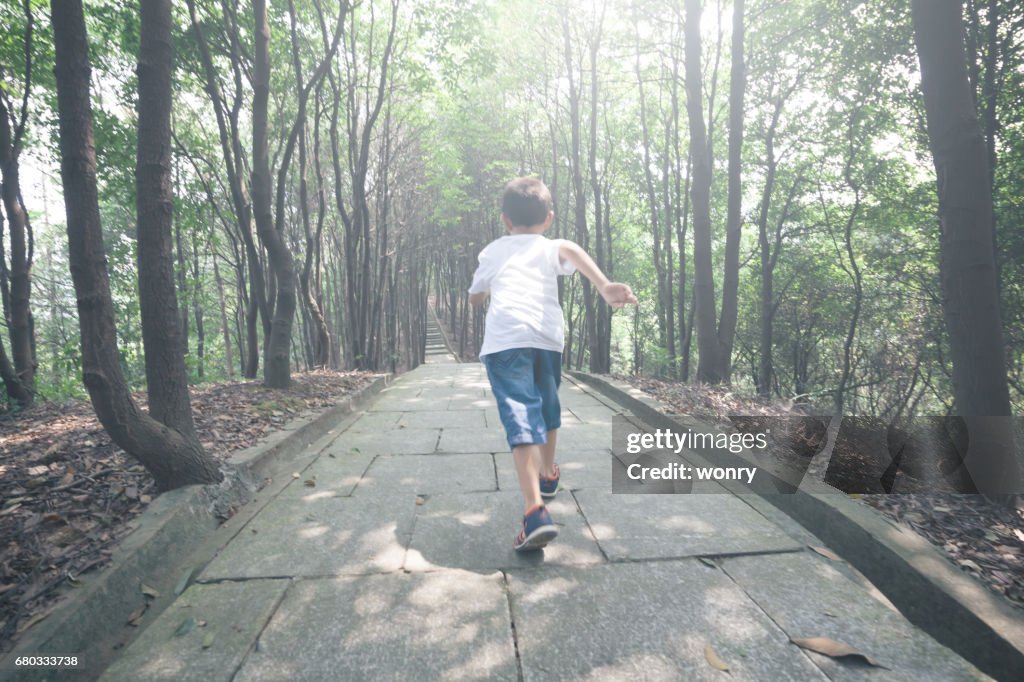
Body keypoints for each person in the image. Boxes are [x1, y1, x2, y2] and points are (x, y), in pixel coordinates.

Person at [468, 176, 638, 551]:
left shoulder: (493, 251)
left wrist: (480, 296)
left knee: (520, 413)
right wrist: (604, 285)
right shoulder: (552, 246)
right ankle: (548, 472)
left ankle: (534, 511)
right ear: (549, 218)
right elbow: (571, 250)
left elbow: (476, 296)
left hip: (505, 341)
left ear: (505, 220)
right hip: (546, 339)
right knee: (547, 404)